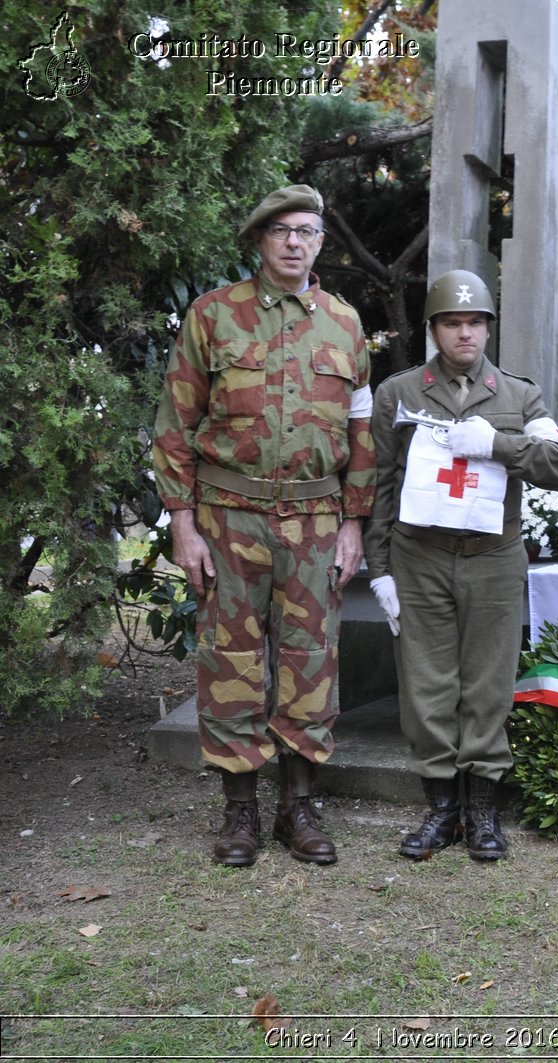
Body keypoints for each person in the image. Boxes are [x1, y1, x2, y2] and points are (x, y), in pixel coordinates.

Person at [152, 184, 374, 867]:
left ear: (320, 243)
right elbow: (174, 426)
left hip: (315, 521)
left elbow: (362, 434)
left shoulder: (346, 324)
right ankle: (240, 812)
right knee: (232, 662)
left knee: (311, 664)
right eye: (279, 230)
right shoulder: (213, 316)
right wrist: (183, 524)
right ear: (259, 240)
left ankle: (297, 809)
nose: (293, 242)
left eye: (305, 230)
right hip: (229, 518)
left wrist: (354, 524)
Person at [365, 270, 558, 861]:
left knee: (487, 684)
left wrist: (496, 445)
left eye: (476, 322)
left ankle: (483, 810)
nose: (466, 333)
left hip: (493, 557)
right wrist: (378, 566)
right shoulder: (399, 394)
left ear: (488, 328)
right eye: (453, 323)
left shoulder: (519, 395)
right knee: (427, 685)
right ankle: (441, 809)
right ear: (433, 329)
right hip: (419, 556)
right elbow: (382, 483)